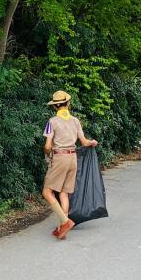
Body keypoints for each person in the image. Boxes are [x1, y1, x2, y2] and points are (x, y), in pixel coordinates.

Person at [39, 91, 98, 239]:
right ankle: (62, 229)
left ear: (55, 106)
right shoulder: (75, 121)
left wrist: (48, 154)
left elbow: (47, 146)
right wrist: (92, 142)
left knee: (47, 192)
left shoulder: (52, 122)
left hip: (60, 158)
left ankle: (65, 222)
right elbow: (84, 142)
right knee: (64, 193)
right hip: (73, 158)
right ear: (68, 104)